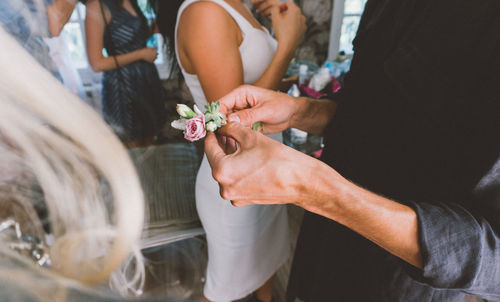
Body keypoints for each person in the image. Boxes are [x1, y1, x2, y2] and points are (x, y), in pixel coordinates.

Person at [203, 0, 500, 301]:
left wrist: (316, 189)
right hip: (320, 246)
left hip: (391, 286)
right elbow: (383, 109)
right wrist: (302, 112)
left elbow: (493, 257)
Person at [150, 0, 305, 301]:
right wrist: (287, 45)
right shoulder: (204, 13)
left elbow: (260, 86)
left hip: (268, 165)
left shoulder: (239, 5)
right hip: (235, 176)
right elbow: (232, 120)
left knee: (267, 260)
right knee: (225, 286)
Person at [85, 0, 166, 147]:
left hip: (146, 81)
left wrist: (152, 28)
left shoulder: (131, 2)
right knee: (132, 148)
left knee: (151, 143)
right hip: (122, 87)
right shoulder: (97, 6)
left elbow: (128, 38)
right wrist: (140, 54)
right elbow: (97, 63)